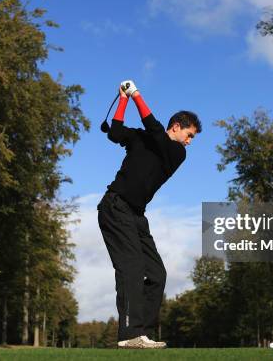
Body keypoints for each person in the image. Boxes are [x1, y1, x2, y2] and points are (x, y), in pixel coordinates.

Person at [97, 80, 201, 349]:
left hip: (136, 216)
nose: (190, 142)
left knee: (157, 274)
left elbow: (155, 131)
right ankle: (129, 335)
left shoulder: (176, 153)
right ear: (176, 127)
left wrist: (137, 97)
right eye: (189, 135)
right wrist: (124, 99)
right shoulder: (144, 138)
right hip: (115, 207)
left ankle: (139, 331)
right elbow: (116, 132)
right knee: (131, 268)